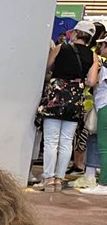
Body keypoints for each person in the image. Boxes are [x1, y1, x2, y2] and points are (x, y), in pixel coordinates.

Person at [37, 18, 99, 192]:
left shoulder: (61, 48)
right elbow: (92, 81)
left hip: (56, 98)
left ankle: (48, 178)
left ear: (77, 33)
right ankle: (59, 178)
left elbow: (46, 68)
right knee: (66, 141)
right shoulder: (92, 55)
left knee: (51, 140)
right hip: (76, 100)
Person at [79, 33, 107, 195]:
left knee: (104, 147)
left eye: (103, 45)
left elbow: (93, 82)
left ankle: (104, 184)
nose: (100, 48)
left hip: (105, 106)